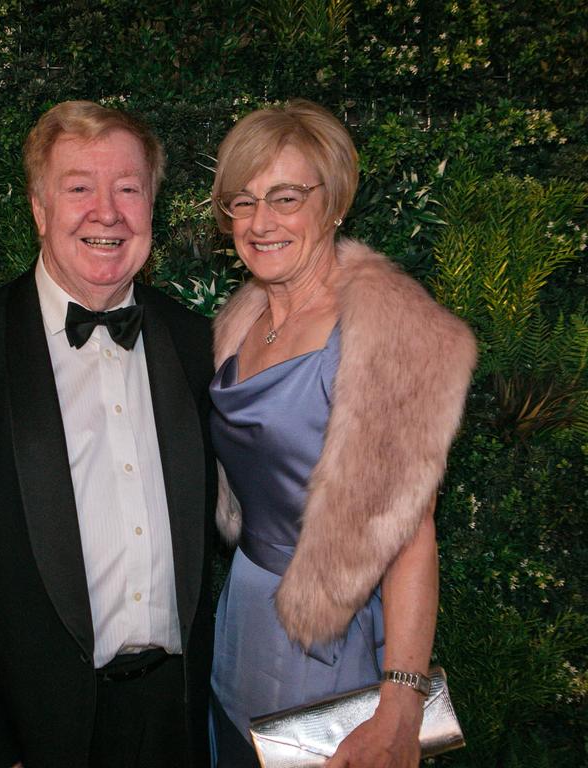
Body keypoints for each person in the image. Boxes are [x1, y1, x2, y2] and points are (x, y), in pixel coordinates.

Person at [0, 100, 216, 768]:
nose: (107, 212)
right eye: (79, 189)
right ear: (39, 209)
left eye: (128, 188)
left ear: (153, 206)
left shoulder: (199, 344)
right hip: (32, 734)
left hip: (182, 723)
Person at [208, 99, 476, 767]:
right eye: (243, 202)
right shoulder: (238, 321)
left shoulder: (381, 332)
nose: (261, 222)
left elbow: (412, 537)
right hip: (242, 619)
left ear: (334, 203)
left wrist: (401, 701)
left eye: (285, 197)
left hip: (333, 644)